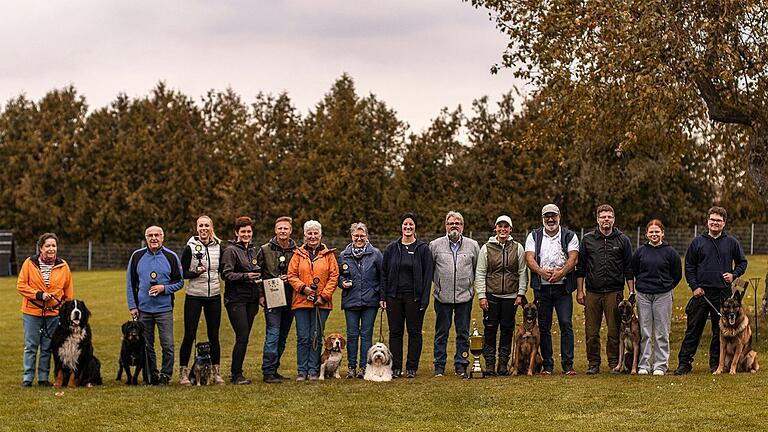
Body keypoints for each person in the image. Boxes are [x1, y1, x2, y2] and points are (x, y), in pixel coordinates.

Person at [674, 207, 748, 375]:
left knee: (719, 331)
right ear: (707, 221)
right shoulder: (697, 242)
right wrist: (694, 287)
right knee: (693, 329)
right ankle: (684, 363)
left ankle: (715, 364)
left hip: (722, 295)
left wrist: (734, 274)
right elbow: (689, 267)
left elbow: (743, 262)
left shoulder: (731, 243)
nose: (715, 223)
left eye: (719, 220)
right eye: (712, 220)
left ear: (724, 223)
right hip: (701, 293)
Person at [576, 204, 634, 375]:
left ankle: (614, 363)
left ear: (613, 219)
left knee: (614, 331)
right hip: (593, 292)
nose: (606, 220)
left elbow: (628, 268)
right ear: (597, 219)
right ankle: (593, 363)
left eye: (609, 217)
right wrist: (580, 291)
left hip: (614, 293)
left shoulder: (623, 240)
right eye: (603, 217)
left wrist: (631, 292)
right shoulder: (587, 240)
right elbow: (581, 268)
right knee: (591, 331)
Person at [525, 204, 579, 376]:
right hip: (542, 289)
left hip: (563, 289)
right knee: (544, 327)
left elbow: (573, 258)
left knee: (565, 324)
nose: (550, 219)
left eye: (553, 216)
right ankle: (548, 365)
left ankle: (568, 365)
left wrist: (561, 272)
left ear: (559, 217)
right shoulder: (534, 236)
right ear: (542, 218)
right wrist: (541, 272)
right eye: (547, 216)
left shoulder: (570, 236)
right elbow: (529, 259)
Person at [126, 225, 184, 385]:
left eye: (157, 235)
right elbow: (130, 283)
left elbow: (180, 282)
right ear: (146, 238)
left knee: (168, 344)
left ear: (162, 237)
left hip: (164, 310)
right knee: (146, 345)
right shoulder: (136, 256)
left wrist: (164, 288)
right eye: (150, 235)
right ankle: (152, 374)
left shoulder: (171, 257)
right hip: (143, 310)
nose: (153, 238)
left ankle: (166, 375)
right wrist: (133, 305)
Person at [17, 233, 74, 387]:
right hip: (32, 312)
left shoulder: (63, 266)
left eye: (53, 246)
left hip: (54, 314)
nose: (51, 249)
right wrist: (39, 295)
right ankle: (27, 378)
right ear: (40, 248)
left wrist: (65, 311)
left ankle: (43, 378)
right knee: (31, 345)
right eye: (47, 246)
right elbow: (21, 285)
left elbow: (68, 292)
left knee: (47, 347)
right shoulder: (29, 263)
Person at [382, 212, 434, 379]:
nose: (408, 227)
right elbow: (383, 274)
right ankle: (396, 367)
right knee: (395, 332)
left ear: (415, 227)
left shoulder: (423, 249)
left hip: (415, 298)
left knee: (414, 332)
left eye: (411, 224)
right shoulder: (391, 248)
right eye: (405, 224)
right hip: (394, 297)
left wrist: (425, 299)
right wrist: (383, 297)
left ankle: (411, 367)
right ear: (401, 227)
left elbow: (428, 277)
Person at [475, 215, 527, 376]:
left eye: (506, 227)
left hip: (511, 296)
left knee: (507, 329)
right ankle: (489, 364)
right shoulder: (486, 248)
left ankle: (503, 364)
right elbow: (480, 272)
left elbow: (522, 271)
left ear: (510, 229)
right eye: (500, 226)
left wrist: (521, 293)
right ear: (495, 229)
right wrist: (482, 295)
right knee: (490, 330)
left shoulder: (517, 247)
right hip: (491, 295)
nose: (503, 229)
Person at [430, 211, 479, 378]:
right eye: (451, 223)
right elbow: (430, 271)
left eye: (457, 223)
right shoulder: (435, 245)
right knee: (441, 333)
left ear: (463, 226)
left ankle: (461, 364)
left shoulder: (473, 246)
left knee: (463, 333)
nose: (454, 226)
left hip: (464, 298)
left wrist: (470, 289)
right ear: (446, 226)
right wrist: (439, 286)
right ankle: (439, 366)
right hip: (442, 297)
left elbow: (476, 269)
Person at [287, 220, 339, 381]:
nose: (313, 236)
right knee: (303, 337)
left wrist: (323, 296)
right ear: (304, 235)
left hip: (321, 304)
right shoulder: (297, 254)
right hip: (301, 302)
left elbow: (334, 276)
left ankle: (314, 370)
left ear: (320, 235)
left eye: (315, 233)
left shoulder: (329, 255)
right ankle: (302, 371)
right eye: (309, 233)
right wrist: (304, 289)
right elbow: (291, 275)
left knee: (315, 336)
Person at [631, 219, 682, 376]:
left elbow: (677, 274)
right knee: (645, 331)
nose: (654, 234)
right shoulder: (640, 252)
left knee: (661, 332)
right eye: (651, 232)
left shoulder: (670, 252)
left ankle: (660, 365)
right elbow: (634, 271)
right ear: (646, 234)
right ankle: (644, 364)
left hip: (663, 295)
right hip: (643, 296)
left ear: (662, 233)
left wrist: (666, 286)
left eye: (657, 231)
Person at [178, 215, 225, 385]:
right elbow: (182, 274)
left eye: (206, 225)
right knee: (189, 335)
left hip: (213, 296)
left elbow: (223, 271)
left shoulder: (218, 247)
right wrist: (195, 273)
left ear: (211, 227)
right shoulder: (190, 247)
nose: (204, 228)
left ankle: (216, 373)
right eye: (201, 226)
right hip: (194, 296)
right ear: (197, 228)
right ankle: (183, 373)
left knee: (214, 335)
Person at [338, 222, 384, 379]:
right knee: (351, 335)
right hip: (350, 300)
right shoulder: (344, 255)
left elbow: (382, 277)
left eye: (362, 236)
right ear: (351, 236)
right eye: (356, 236)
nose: (359, 238)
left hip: (370, 301)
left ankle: (364, 367)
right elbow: (338, 276)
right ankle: (351, 367)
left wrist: (381, 296)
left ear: (367, 236)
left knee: (366, 334)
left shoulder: (376, 254)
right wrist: (341, 283)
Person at [221, 216, 262, 385]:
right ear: (236, 233)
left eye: (249, 231)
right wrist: (246, 276)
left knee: (245, 337)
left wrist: (260, 295)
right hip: (236, 299)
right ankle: (236, 374)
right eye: (243, 231)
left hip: (251, 300)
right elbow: (226, 274)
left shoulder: (252, 250)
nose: (246, 234)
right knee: (242, 335)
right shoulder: (230, 250)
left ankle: (238, 371)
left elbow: (258, 274)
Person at [256, 216, 297, 384]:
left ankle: (275, 368)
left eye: (285, 228)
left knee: (283, 336)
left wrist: (292, 278)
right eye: (280, 228)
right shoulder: (265, 249)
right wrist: (260, 295)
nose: (282, 231)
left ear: (290, 231)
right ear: (275, 230)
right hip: (272, 297)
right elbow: (257, 272)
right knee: (273, 333)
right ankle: (268, 371)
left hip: (291, 298)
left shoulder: (297, 250)